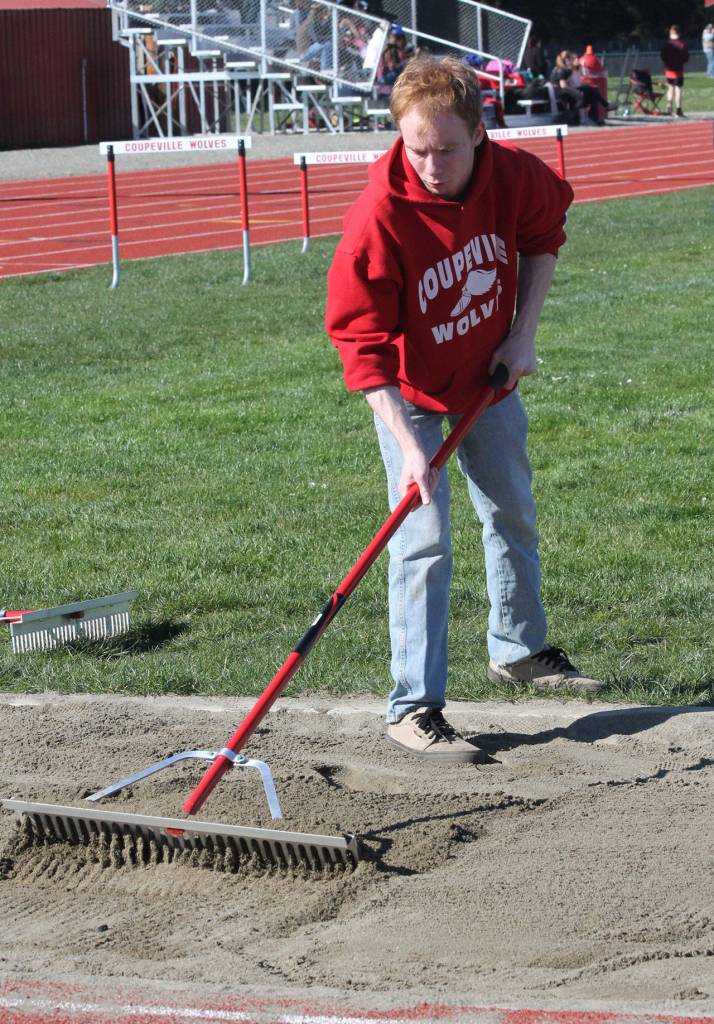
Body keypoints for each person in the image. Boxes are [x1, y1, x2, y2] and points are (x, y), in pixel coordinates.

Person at [325, 56, 604, 764]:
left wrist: (523, 331)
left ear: (480, 134)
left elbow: (544, 237)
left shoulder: (513, 177)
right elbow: (362, 349)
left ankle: (518, 650)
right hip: (411, 393)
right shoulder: (377, 220)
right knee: (422, 541)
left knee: (511, 506)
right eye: (416, 149)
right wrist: (408, 445)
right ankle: (413, 707)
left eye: (446, 149)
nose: (431, 165)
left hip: (487, 376)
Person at [661, 24, 689, 117]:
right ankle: (678, 109)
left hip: (669, 70)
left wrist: (667, 63)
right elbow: (686, 57)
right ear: (678, 33)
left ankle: (669, 107)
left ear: (670, 33)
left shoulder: (667, 44)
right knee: (678, 89)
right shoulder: (682, 44)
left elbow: (662, 56)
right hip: (678, 71)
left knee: (670, 88)